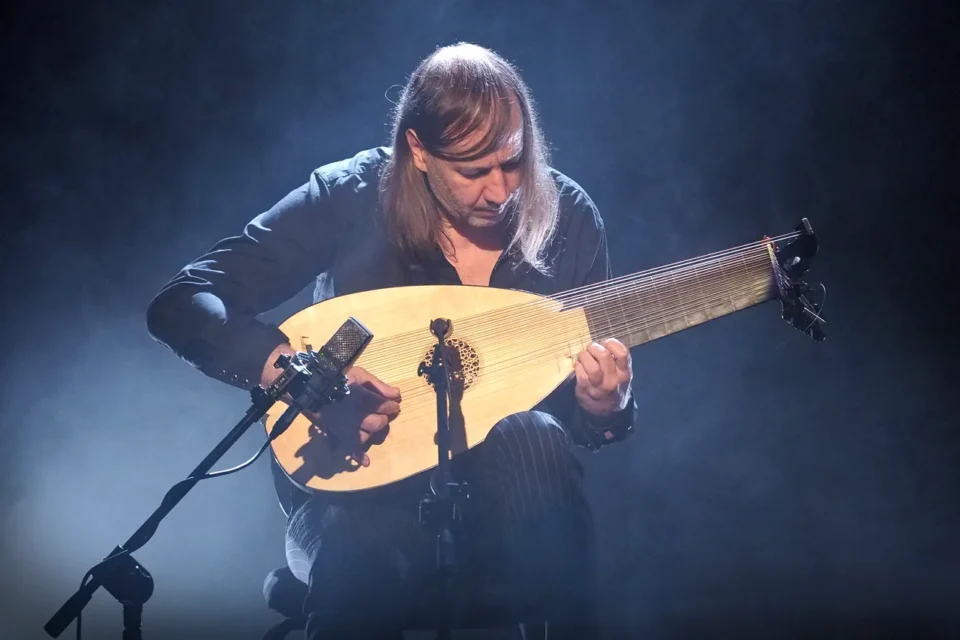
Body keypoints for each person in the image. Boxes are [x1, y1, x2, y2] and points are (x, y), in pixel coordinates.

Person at [146, 42, 639, 639]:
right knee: (365, 541)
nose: (500, 190)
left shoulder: (569, 218)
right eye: (472, 170)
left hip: (506, 502)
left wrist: (604, 407)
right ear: (419, 151)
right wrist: (297, 373)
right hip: (348, 495)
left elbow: (573, 421)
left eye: (512, 163)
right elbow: (186, 300)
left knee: (532, 434)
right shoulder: (350, 197)